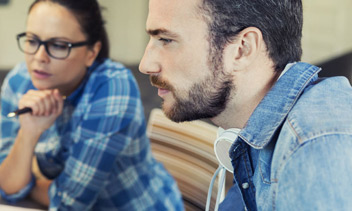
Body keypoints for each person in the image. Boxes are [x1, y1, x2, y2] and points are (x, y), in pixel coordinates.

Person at [139, 0, 352, 210]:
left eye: (166, 40)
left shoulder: (315, 148)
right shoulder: (251, 139)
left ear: (242, 49)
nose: (145, 65)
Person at [0, 0, 183, 210]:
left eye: (58, 45)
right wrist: (28, 133)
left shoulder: (113, 87)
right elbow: (6, 187)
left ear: (91, 52)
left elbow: (69, 203)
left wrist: (29, 183)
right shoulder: (19, 81)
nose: (39, 57)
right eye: (32, 41)